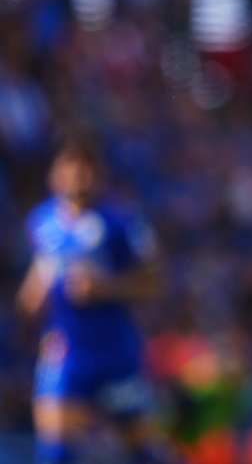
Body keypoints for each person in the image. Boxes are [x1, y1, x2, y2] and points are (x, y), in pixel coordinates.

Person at [15, 132, 168, 464]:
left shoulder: (122, 222)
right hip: (67, 354)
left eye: (86, 167)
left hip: (115, 352)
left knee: (143, 450)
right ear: (54, 174)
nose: (78, 175)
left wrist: (106, 289)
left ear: (99, 174)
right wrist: (31, 299)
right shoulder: (42, 221)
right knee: (56, 451)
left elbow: (154, 283)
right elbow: (44, 269)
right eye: (70, 167)